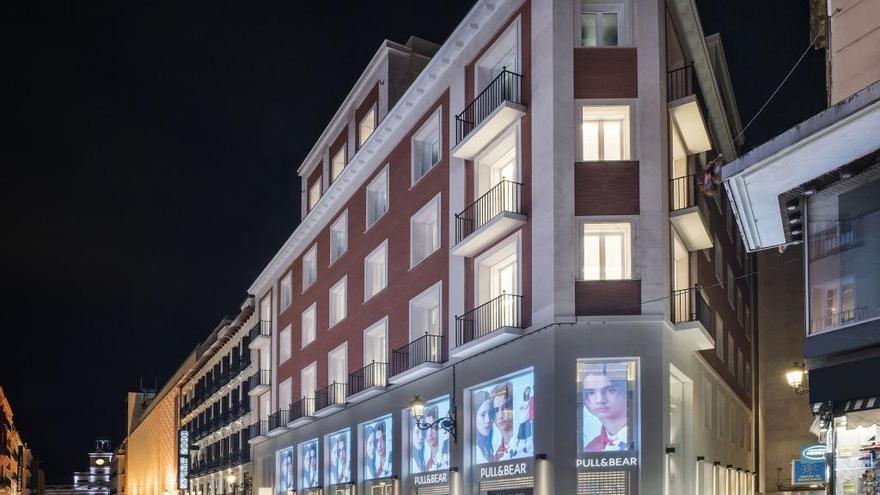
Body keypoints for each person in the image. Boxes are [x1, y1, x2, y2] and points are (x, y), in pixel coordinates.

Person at [582, 366, 628, 452]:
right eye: (591, 393)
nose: (600, 400)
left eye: (610, 390)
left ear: (625, 392)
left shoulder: (643, 437)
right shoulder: (591, 448)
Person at [492, 381, 516, 461]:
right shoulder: (496, 455)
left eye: (504, 408)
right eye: (496, 410)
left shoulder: (524, 444)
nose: (500, 416)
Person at [423, 405, 449, 471]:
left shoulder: (447, 456)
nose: (430, 433)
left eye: (433, 427)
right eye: (427, 428)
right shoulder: (426, 461)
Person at [473, 390, 496, 464]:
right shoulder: (473, 450)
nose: (488, 420)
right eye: (483, 415)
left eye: (490, 413)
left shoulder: (490, 446)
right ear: (474, 417)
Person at [513, 385, 534, 456]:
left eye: (528, 391)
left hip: (527, 419)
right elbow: (520, 408)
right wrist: (522, 407)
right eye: (526, 391)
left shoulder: (530, 399)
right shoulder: (522, 400)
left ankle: (524, 447)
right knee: (519, 436)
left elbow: (531, 408)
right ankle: (515, 449)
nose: (527, 392)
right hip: (522, 420)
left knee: (526, 435)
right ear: (524, 392)